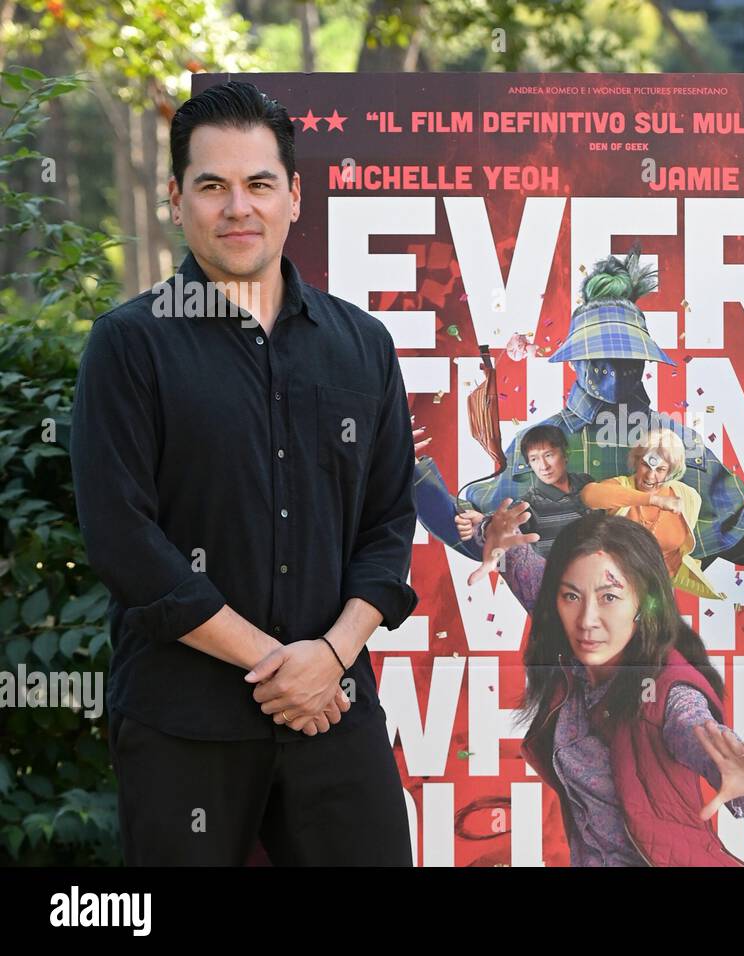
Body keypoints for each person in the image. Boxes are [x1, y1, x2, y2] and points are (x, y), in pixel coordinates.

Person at [70, 80, 417, 865]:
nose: (239, 208)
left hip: (335, 713)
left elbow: (391, 524)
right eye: (212, 186)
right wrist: (278, 665)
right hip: (182, 725)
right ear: (175, 198)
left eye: (260, 184)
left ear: (295, 195)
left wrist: (327, 660)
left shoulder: (362, 346)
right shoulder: (129, 347)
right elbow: (126, 543)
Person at [413, 244, 744, 577]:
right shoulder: (538, 444)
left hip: (649, 646)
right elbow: (476, 534)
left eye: (627, 361)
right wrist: (412, 473)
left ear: (645, 361)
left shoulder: (678, 447)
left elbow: (742, 539)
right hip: (558, 654)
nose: (614, 375)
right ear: (575, 360)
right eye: (600, 361)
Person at [515, 511, 744, 866]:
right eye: (572, 597)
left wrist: (739, 778)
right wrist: (492, 531)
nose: (587, 620)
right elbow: (517, 561)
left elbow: (690, 725)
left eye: (609, 598)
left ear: (644, 602)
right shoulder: (572, 652)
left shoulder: (667, 691)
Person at [580, 426, 722, 600]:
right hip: (617, 589)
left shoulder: (688, 497)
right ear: (637, 461)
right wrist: (654, 500)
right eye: (645, 465)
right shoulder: (622, 486)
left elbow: (680, 552)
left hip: (660, 591)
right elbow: (589, 495)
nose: (650, 476)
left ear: (671, 470)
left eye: (660, 470)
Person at [457, 423, 593, 558]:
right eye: (534, 459)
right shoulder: (530, 504)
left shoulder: (585, 482)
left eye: (548, 455)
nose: (543, 466)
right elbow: (503, 520)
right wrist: (483, 523)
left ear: (565, 454)